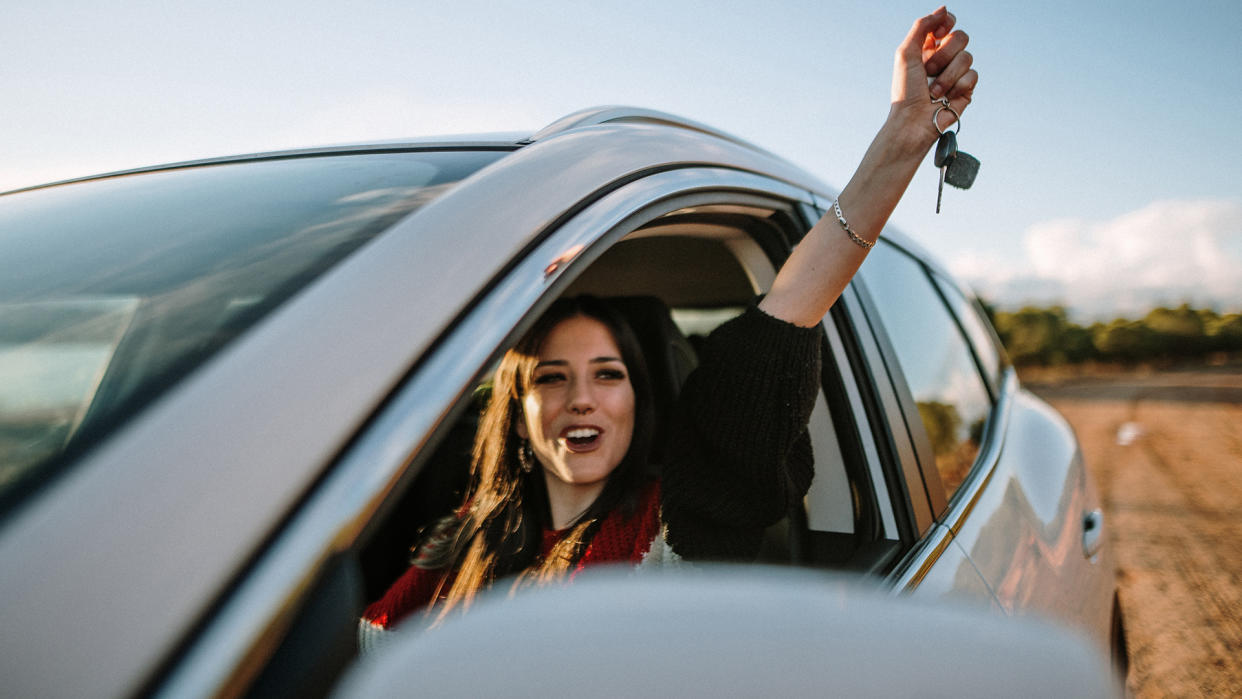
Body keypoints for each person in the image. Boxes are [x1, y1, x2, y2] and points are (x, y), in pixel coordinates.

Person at [360, 6, 977, 646]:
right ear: (515, 408)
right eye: (550, 376)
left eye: (608, 373)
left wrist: (905, 137)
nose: (581, 398)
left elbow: (784, 318)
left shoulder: (681, 522)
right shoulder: (461, 540)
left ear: (637, 398)